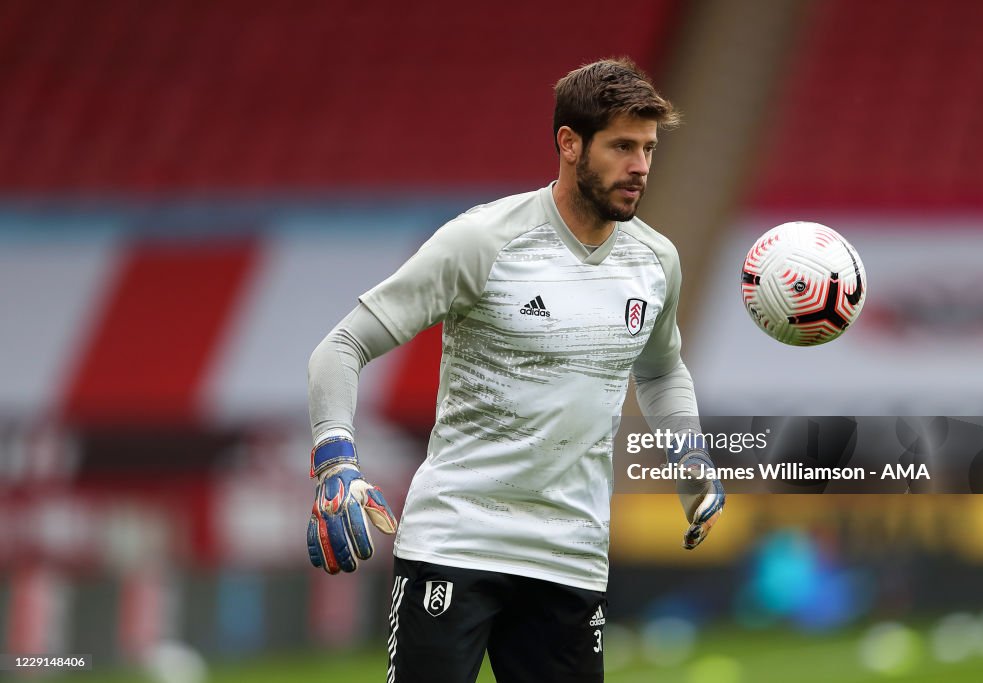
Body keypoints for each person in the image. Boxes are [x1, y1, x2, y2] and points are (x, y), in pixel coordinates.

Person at [305, 57, 725, 683]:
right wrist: (334, 463)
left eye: (648, 148)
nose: (639, 166)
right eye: (621, 147)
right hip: (456, 541)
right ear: (569, 144)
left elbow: (662, 373)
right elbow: (341, 346)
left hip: (570, 556)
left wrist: (690, 457)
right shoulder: (482, 242)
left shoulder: (655, 261)